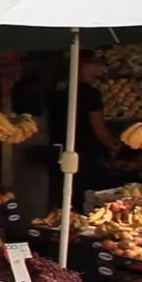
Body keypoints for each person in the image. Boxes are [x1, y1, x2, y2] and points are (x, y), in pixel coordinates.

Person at [50, 51, 118, 209]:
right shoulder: (91, 94)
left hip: (63, 153)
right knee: (87, 198)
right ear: (84, 66)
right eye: (97, 63)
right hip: (87, 155)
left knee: (67, 196)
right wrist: (113, 145)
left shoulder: (60, 94)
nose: (101, 66)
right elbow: (99, 129)